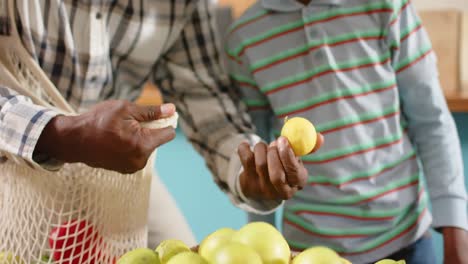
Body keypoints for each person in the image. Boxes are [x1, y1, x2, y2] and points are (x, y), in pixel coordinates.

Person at [0, 0, 320, 261]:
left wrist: (247, 171)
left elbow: (204, 97)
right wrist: (62, 134)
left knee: (181, 253)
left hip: (111, 172)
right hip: (10, 155)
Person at [222, 0, 468, 263]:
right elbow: (257, 161)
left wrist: (457, 232)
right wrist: (262, 247)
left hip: (406, 241)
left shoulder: (387, 5)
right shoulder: (244, 37)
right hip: (308, 252)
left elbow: (432, 122)